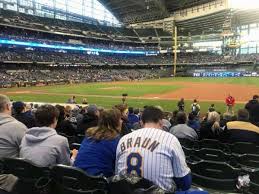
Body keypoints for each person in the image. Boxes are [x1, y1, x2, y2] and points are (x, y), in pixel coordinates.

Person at [116, 106, 206, 193]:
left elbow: (117, 175)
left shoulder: (123, 139)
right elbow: (185, 183)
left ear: (141, 123)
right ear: (161, 122)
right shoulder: (170, 139)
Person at [74, 109, 122, 177]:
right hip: (98, 182)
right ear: (116, 122)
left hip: (76, 177)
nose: (121, 121)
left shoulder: (90, 134)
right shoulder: (116, 140)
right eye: (120, 119)